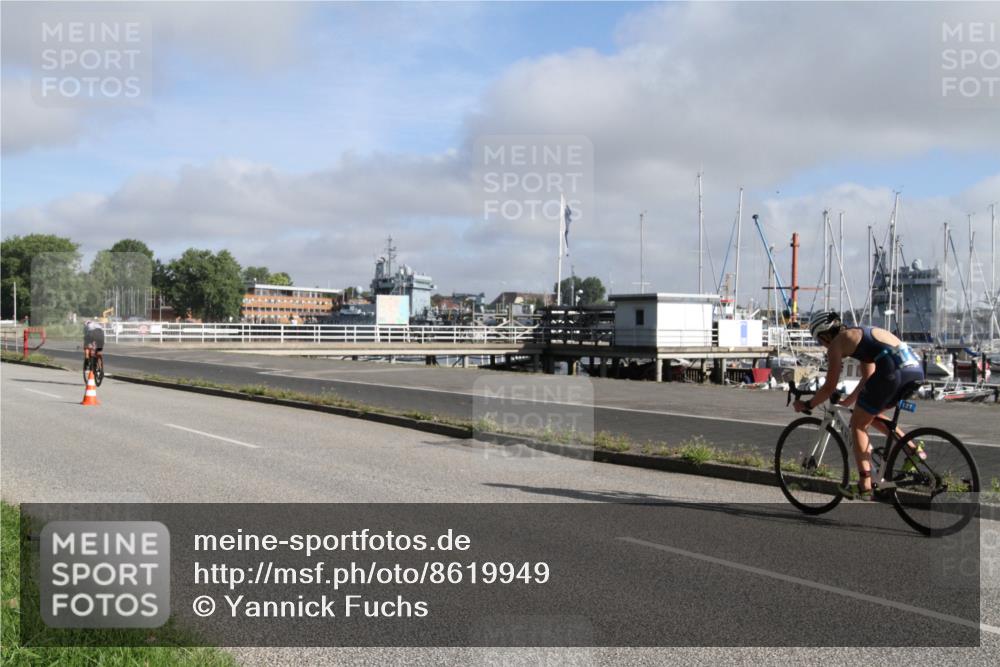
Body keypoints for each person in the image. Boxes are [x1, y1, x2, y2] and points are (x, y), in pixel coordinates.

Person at [792, 312, 925, 499]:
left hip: (892, 372)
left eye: (819, 341)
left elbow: (829, 386)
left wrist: (808, 404)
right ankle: (913, 450)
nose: (822, 346)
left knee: (857, 424)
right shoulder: (859, 335)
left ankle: (864, 484)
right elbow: (868, 377)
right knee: (869, 414)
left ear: (824, 335)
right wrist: (848, 402)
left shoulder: (837, 344)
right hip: (915, 369)